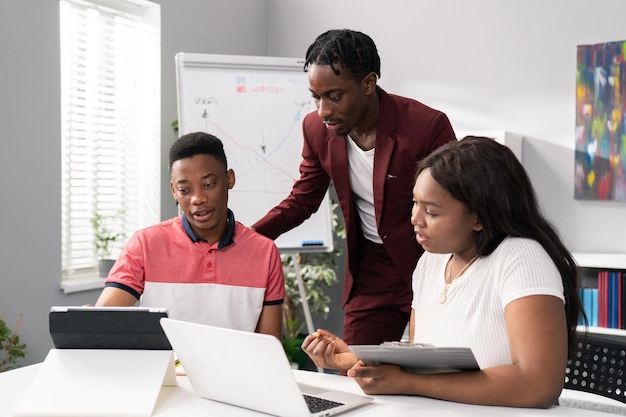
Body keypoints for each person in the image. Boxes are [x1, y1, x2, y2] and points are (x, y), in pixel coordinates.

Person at [301, 136, 585, 408]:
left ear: (478, 217)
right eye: (415, 203)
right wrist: (352, 357)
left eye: (432, 212)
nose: (415, 219)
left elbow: (538, 385)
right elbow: (422, 358)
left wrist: (408, 382)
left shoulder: (521, 257)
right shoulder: (431, 262)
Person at [251, 29, 457, 345]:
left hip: (431, 259)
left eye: (334, 96)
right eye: (316, 97)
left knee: (433, 371)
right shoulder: (315, 129)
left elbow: (456, 203)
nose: (323, 111)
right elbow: (303, 200)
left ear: (368, 83)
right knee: (358, 372)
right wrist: (247, 238)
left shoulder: (426, 127)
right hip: (371, 269)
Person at [95, 132, 285, 340]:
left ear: (229, 179)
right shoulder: (145, 244)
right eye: (185, 190)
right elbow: (103, 323)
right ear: (174, 191)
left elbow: (269, 346)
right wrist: (94, 318)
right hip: (164, 372)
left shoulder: (265, 252)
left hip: (233, 372)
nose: (198, 199)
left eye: (209, 185)